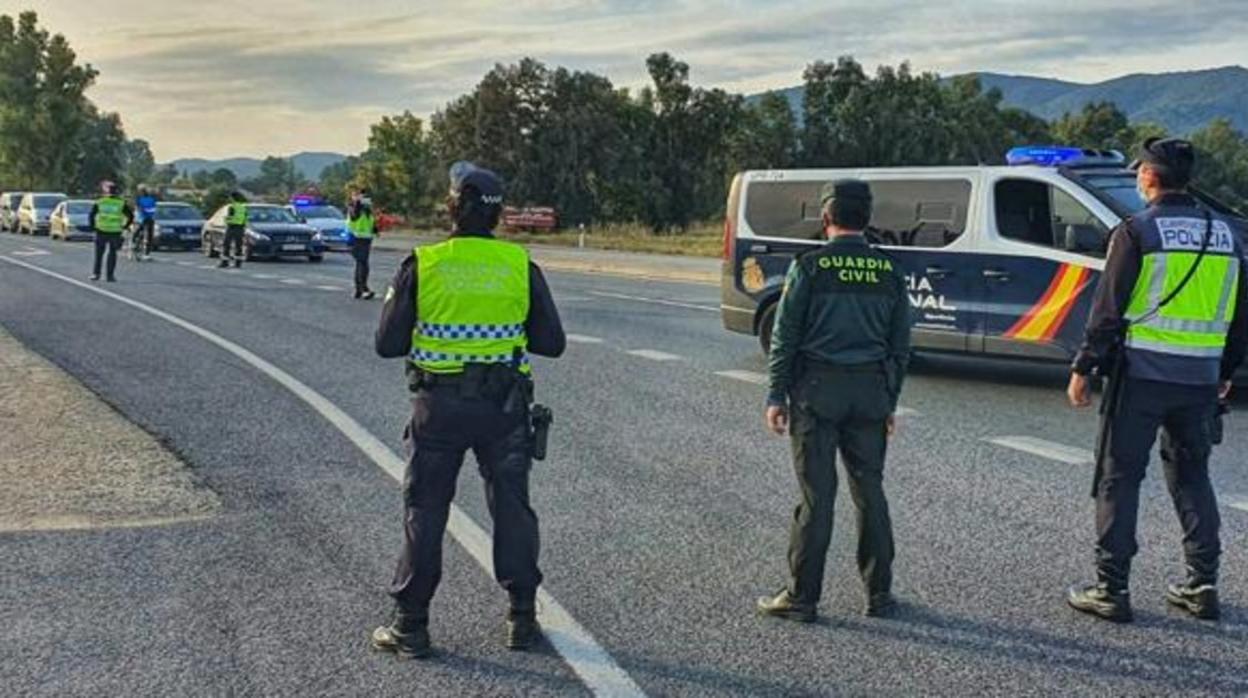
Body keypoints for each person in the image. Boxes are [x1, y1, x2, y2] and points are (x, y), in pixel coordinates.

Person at [370, 162, 566, 659]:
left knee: (426, 509)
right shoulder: (520, 266)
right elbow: (552, 342)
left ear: (452, 207)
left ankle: (410, 625)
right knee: (512, 508)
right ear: (499, 216)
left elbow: (387, 343)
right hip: (503, 409)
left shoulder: (425, 263)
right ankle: (522, 618)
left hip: (439, 408)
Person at [1067, 137, 1248, 623]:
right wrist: (1225, 372)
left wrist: (1084, 367)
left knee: (1119, 479)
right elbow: (1241, 315)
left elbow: (1108, 311)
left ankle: (1111, 589)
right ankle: (1202, 585)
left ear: (1149, 177)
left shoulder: (1136, 231)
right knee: (1193, 478)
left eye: (1139, 173)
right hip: (1201, 381)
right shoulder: (1227, 234)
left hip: (1142, 378)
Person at [756, 179, 912, 623]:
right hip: (870, 396)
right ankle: (879, 595)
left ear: (825, 219)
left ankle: (802, 597)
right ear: (867, 220)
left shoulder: (810, 267)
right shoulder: (888, 271)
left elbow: (785, 337)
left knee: (817, 497)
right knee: (871, 493)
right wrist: (888, 402)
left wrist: (775, 394)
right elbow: (900, 347)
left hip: (817, 395)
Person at [89, 182, 134, 282]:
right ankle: (110, 276)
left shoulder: (100, 201)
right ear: (116, 192)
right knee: (112, 254)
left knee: (99, 254)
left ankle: (96, 274)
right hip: (115, 231)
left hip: (101, 230)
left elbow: (91, 215)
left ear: (106, 191)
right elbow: (130, 216)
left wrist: (93, 227)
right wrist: (125, 226)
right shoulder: (121, 203)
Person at [347, 187, 377, 299]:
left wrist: (375, 229)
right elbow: (355, 215)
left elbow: (370, 222)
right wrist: (358, 202)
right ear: (353, 197)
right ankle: (363, 289)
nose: (363, 198)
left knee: (362, 264)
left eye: (364, 197)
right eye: (358, 195)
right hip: (356, 238)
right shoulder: (353, 207)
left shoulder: (367, 209)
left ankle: (359, 290)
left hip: (366, 239)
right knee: (362, 263)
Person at [220, 191, 247, 268]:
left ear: (233, 198)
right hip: (240, 228)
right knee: (239, 245)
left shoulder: (232, 207)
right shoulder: (243, 207)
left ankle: (224, 262)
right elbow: (245, 218)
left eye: (230, 197)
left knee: (226, 245)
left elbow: (230, 217)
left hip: (232, 227)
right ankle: (238, 263)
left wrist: (225, 219)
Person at [135, 185, 158, 260]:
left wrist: (142, 211)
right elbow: (153, 208)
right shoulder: (150, 199)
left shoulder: (142, 199)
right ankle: (137, 242)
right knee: (148, 234)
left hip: (145, 218)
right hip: (146, 217)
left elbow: (138, 208)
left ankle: (137, 242)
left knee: (147, 234)